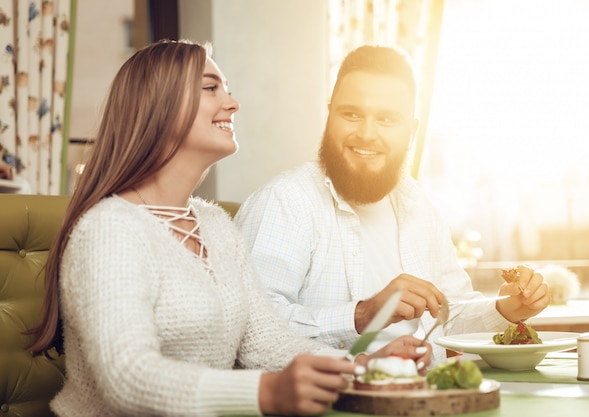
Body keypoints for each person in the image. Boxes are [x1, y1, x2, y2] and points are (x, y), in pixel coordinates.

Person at [26, 40, 432, 417]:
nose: (233, 103)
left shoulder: (214, 225)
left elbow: (264, 342)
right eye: (211, 88)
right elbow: (127, 376)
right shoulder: (108, 230)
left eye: (228, 89)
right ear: (158, 106)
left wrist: (358, 366)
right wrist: (265, 393)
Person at [234, 44, 551, 362]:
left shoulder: (419, 208)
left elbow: (449, 316)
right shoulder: (284, 203)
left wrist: (504, 308)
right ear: (329, 115)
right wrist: (363, 314)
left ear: (412, 132)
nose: (367, 134)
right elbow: (251, 330)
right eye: (352, 114)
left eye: (386, 119)